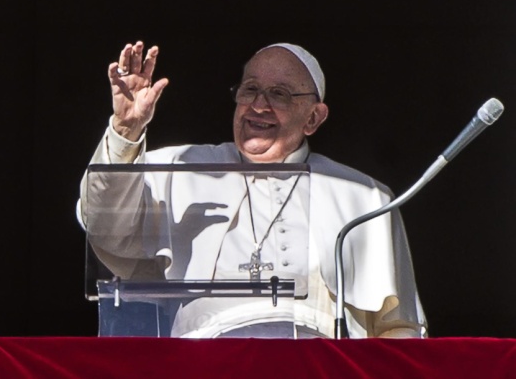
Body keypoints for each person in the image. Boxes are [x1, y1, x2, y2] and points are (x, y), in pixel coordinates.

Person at [78, 40, 427, 339]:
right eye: (250, 89)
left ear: (313, 118)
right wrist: (126, 130)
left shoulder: (362, 196)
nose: (259, 105)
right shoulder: (183, 168)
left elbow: (398, 328)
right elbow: (105, 225)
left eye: (279, 94)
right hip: (201, 362)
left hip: (318, 365)